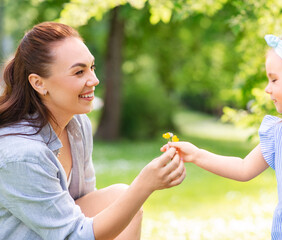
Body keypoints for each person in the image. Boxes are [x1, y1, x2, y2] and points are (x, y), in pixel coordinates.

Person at [162, 30, 282, 239]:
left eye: (274, 80)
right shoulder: (279, 133)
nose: (267, 89)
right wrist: (196, 155)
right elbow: (243, 169)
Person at [0, 22, 186, 240]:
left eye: (92, 68)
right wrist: (144, 185)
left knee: (119, 197)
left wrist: (134, 193)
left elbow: (88, 205)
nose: (94, 80)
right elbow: (75, 236)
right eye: (79, 72)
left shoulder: (77, 124)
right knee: (128, 197)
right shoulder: (21, 155)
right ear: (39, 83)